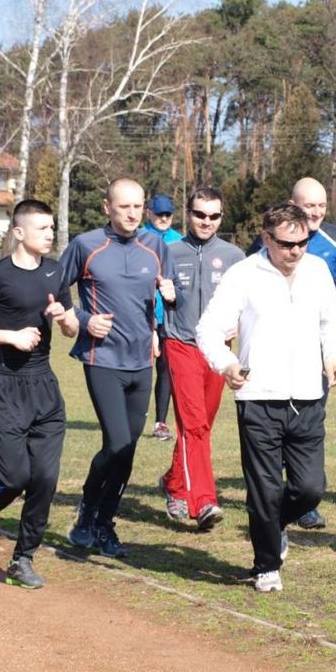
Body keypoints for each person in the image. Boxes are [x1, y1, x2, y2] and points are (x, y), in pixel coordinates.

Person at [196, 203, 336, 593]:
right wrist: (227, 363)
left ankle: (271, 522)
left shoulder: (316, 271)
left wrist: (334, 354)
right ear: (266, 239)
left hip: (309, 396)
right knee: (263, 487)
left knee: (311, 487)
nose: (296, 251)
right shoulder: (243, 275)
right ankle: (266, 564)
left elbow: (331, 319)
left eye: (302, 242)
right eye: (286, 244)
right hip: (258, 398)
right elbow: (208, 329)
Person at [0, 199, 79, 589]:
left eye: (52, 228)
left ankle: (22, 558)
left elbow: (72, 326)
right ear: (19, 232)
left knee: (44, 479)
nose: (50, 234)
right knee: (14, 478)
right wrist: (10, 335)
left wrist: (64, 319)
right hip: (6, 385)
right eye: (42, 228)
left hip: (45, 384)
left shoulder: (57, 270)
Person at [60, 178, 175, 558]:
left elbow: (169, 294)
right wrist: (83, 317)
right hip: (102, 359)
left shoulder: (157, 245)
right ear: (106, 206)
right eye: (124, 206)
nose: (131, 213)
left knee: (126, 452)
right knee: (117, 443)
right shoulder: (86, 245)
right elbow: (55, 292)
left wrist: (169, 304)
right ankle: (88, 512)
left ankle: (103, 522)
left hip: (142, 362)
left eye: (138, 206)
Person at [246, 177, 336, 531]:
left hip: (316, 346)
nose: (316, 212)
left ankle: (304, 499)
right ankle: (273, 494)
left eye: (322, 206)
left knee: (311, 420)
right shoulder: (264, 244)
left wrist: (327, 301)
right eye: (310, 206)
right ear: (292, 203)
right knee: (274, 423)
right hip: (272, 352)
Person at [157, 186, 245, 531]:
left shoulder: (235, 256)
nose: (206, 221)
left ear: (221, 217)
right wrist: (162, 308)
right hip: (181, 344)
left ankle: (175, 483)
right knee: (193, 424)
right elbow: (154, 296)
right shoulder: (169, 250)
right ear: (188, 214)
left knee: (200, 425)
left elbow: (245, 304)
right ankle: (203, 500)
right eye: (199, 214)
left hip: (218, 352)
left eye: (214, 216)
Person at [142, 193, 182, 442]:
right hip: (140, 315)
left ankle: (161, 422)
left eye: (168, 215)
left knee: (165, 368)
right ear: (149, 213)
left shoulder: (179, 241)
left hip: (167, 316)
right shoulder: (139, 238)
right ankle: (130, 415)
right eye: (159, 214)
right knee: (140, 368)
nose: (163, 219)